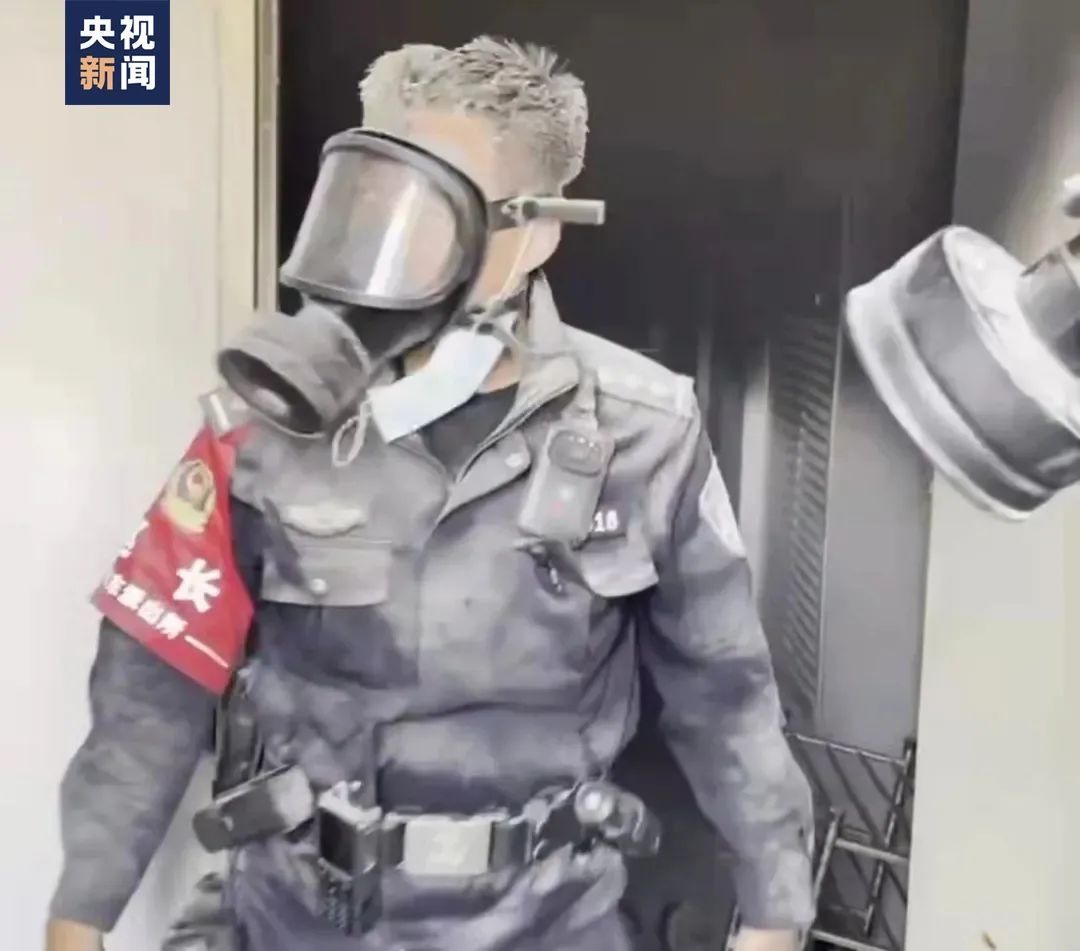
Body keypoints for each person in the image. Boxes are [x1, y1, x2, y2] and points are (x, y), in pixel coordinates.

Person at [46, 37, 814, 951]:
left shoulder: (646, 431)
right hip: (303, 919)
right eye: (373, 195)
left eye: (435, 208)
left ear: (536, 231)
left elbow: (725, 693)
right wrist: (78, 915)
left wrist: (775, 910)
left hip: (547, 923)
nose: (392, 236)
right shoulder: (265, 426)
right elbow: (152, 685)